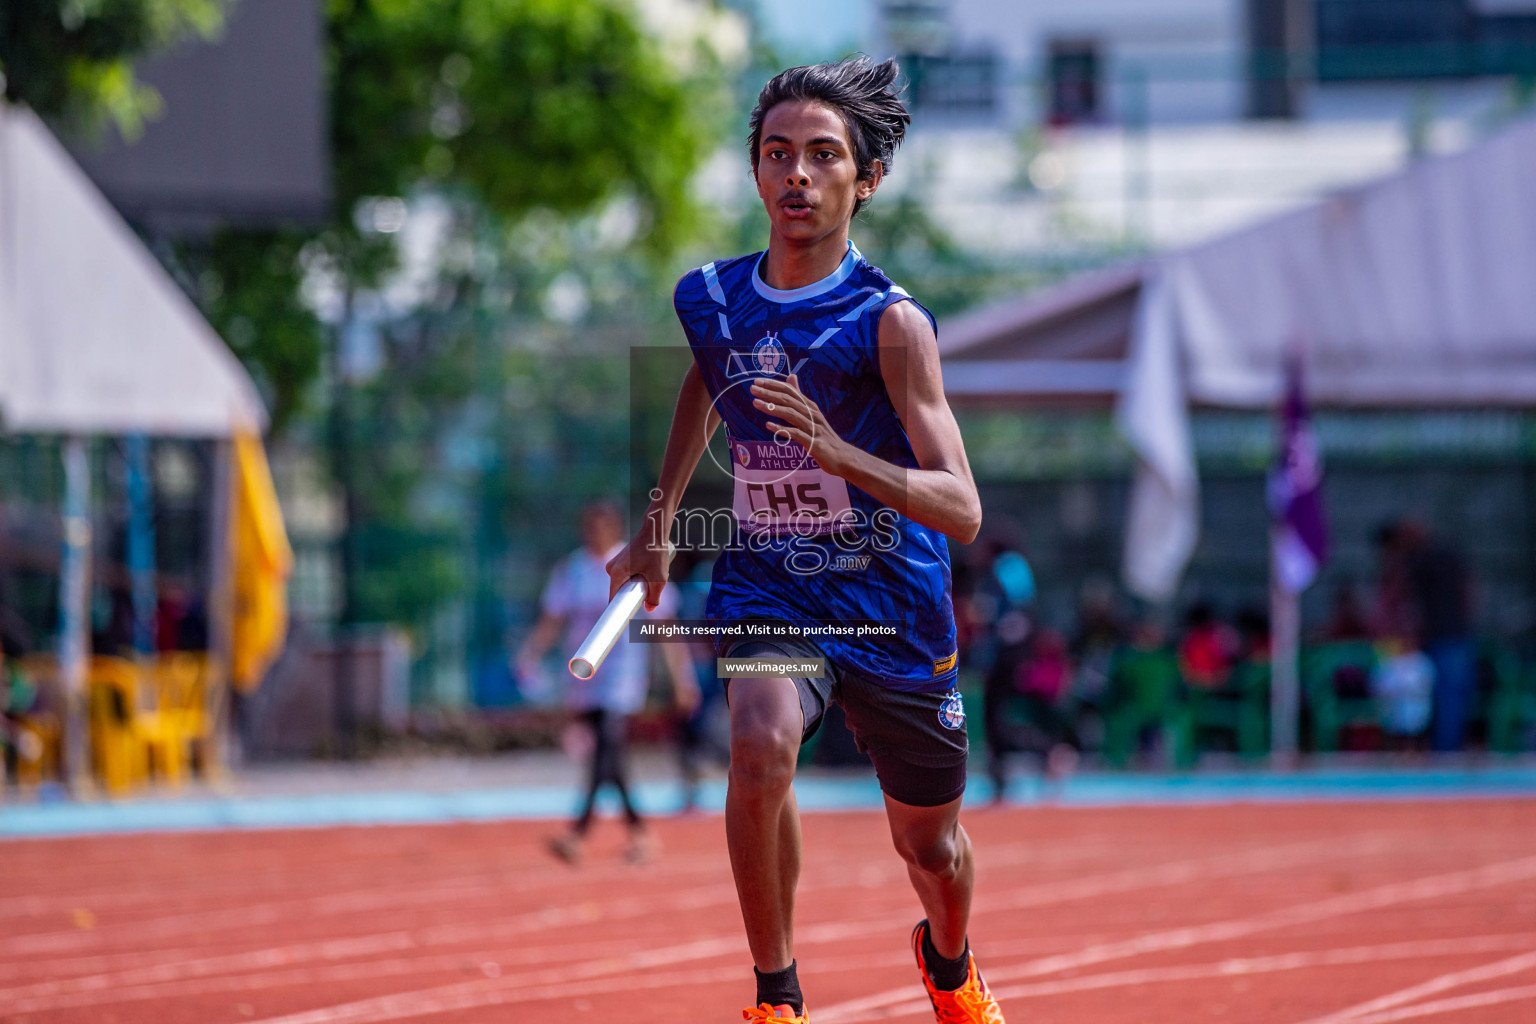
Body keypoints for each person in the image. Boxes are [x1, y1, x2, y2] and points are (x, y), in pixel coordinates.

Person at [606, 57, 1004, 1023]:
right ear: (754, 173)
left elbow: (961, 506)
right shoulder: (712, 298)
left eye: (823, 157)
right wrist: (658, 526)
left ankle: (949, 967)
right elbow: (707, 381)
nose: (797, 175)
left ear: (864, 180)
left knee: (931, 852)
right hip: (772, 584)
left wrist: (837, 452)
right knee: (758, 739)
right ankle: (775, 999)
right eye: (777, 154)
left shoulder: (891, 324)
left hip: (893, 606)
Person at [518, 500, 696, 865]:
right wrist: (530, 653)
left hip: (623, 676)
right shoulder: (574, 570)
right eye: (589, 526)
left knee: (608, 745)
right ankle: (640, 833)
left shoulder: (634, 565)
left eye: (602, 526)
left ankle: (577, 832)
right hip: (585, 675)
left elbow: (666, 626)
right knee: (610, 756)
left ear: (615, 529)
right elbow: (552, 619)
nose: (594, 534)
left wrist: (682, 677)